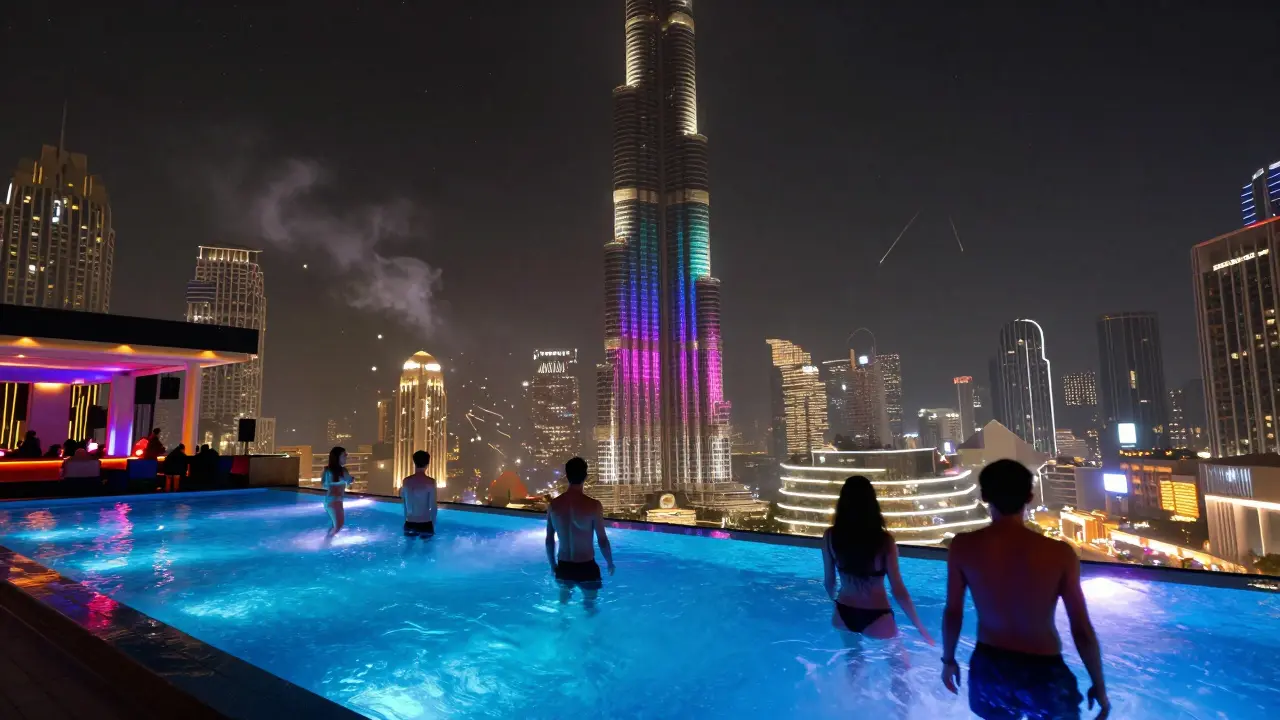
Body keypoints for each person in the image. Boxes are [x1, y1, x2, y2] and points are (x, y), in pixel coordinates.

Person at [941, 459, 1110, 720]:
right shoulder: (1059, 554)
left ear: (984, 496)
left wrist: (949, 660)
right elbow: (1081, 629)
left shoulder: (963, 547)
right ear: (1030, 497)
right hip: (1043, 668)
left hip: (990, 665)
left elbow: (953, 612)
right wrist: (1098, 683)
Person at [822, 476, 933, 711]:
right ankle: (903, 716)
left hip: (844, 613)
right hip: (877, 616)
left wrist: (835, 602)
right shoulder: (884, 542)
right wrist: (920, 626)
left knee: (854, 660)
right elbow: (899, 591)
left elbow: (829, 582)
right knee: (900, 669)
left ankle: (853, 709)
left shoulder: (831, 536)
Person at [545, 457, 614, 610]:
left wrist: (552, 566)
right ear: (585, 476)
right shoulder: (593, 506)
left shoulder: (554, 505)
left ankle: (561, 632)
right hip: (586, 567)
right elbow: (602, 540)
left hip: (563, 566)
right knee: (590, 608)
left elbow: (549, 540)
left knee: (563, 608)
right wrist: (610, 562)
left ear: (567, 476)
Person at [400, 450, 438, 537]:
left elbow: (405, 505)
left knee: (409, 548)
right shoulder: (430, 482)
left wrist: (405, 521)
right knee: (427, 550)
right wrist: (433, 526)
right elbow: (433, 507)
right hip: (425, 523)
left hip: (410, 522)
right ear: (427, 464)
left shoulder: (406, 481)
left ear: (414, 463)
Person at [321, 446, 353, 535]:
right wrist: (340, 481)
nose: (346, 456)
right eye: (344, 455)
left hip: (337, 501)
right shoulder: (329, 470)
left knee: (335, 525)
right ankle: (326, 544)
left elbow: (348, 483)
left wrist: (347, 481)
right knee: (338, 525)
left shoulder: (343, 470)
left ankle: (326, 541)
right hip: (332, 501)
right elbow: (325, 484)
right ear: (337, 457)